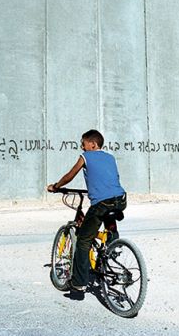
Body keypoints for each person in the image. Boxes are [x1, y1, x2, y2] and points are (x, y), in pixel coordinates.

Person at [47, 129, 126, 300]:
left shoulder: (86, 156)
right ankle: (113, 242)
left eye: (83, 143)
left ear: (93, 144)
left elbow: (70, 175)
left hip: (101, 203)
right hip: (120, 198)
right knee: (108, 214)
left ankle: (78, 285)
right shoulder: (110, 157)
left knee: (83, 240)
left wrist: (56, 186)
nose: (81, 147)